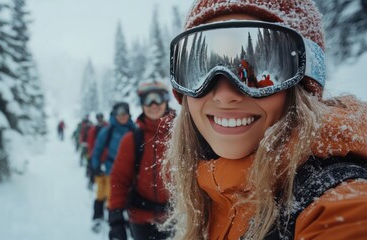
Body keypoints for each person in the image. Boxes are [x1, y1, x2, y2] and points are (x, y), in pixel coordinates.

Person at [162, 1, 367, 239]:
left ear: (303, 79)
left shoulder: (335, 204)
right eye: (200, 69)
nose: (224, 95)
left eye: (260, 70)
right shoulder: (207, 194)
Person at [108, 81, 175, 240]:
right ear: (141, 104)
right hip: (141, 219)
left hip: (176, 217)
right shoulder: (132, 140)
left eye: (157, 98)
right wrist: (116, 218)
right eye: (147, 99)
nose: (153, 104)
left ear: (166, 100)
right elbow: (120, 179)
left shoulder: (182, 134)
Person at [90, 102, 136, 233]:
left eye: (125, 113)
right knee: (109, 196)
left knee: (129, 197)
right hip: (111, 170)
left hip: (130, 172)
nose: (122, 116)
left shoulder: (134, 130)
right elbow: (97, 150)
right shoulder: (107, 131)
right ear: (114, 115)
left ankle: (130, 222)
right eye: (119, 114)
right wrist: (96, 166)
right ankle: (101, 218)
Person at [86, 112, 108, 190]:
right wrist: (92, 153)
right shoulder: (94, 129)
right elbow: (90, 142)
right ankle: (92, 182)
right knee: (94, 169)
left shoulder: (108, 127)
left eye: (100, 118)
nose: (100, 119)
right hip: (96, 153)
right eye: (98, 118)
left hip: (106, 154)